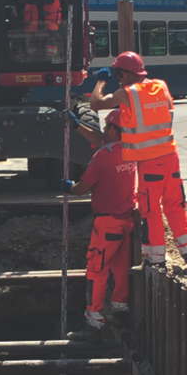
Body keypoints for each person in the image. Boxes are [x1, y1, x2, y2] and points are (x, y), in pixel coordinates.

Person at [88, 51, 187, 268]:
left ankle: (156, 257)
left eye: (119, 75)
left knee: (150, 209)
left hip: (151, 161)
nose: (119, 79)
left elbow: (95, 104)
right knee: (175, 203)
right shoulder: (161, 86)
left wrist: (101, 81)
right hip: (171, 156)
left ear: (126, 74)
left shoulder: (128, 93)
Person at [61, 109, 137, 341]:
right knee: (121, 269)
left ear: (114, 129)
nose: (103, 131)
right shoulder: (131, 149)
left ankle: (93, 321)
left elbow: (82, 188)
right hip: (127, 221)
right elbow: (100, 140)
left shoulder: (103, 157)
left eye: (106, 127)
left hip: (107, 224)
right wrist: (76, 126)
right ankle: (119, 311)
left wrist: (69, 187)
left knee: (96, 271)